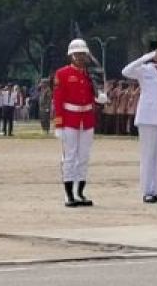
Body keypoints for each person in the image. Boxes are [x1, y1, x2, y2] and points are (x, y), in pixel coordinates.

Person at [53, 38, 107, 207]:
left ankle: (80, 192)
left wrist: (99, 98)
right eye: (77, 54)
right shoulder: (62, 74)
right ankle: (69, 194)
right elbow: (58, 100)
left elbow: (90, 95)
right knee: (69, 157)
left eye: (82, 54)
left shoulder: (89, 74)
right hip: (70, 119)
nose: (80, 57)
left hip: (86, 119)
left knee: (83, 157)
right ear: (71, 56)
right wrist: (59, 124)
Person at [121, 40, 157, 204]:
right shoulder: (143, 70)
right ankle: (146, 191)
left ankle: (156, 190)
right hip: (147, 117)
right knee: (147, 155)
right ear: (151, 54)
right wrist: (145, 58)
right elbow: (125, 71)